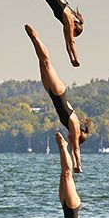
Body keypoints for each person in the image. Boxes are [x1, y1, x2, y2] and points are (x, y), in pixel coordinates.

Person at [25, 23, 90, 169]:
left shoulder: (72, 127)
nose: (71, 139)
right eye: (75, 140)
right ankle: (35, 37)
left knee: (42, 63)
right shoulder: (75, 126)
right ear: (78, 137)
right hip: (59, 92)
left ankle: (34, 39)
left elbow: (74, 147)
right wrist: (78, 164)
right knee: (47, 62)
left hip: (52, 93)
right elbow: (75, 149)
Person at [55, 130, 86, 218]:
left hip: (65, 206)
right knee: (67, 174)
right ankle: (63, 146)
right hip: (72, 206)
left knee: (64, 175)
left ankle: (63, 147)